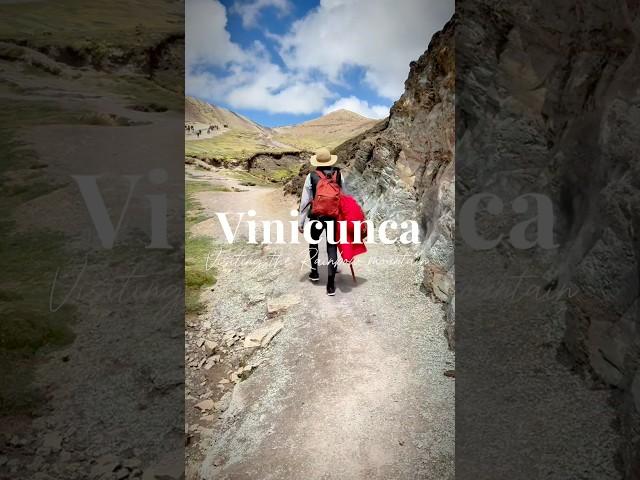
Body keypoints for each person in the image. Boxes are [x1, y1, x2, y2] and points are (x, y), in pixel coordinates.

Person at [298, 148, 342, 296]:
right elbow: (345, 196)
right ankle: (330, 284)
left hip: (316, 216)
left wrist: (301, 221)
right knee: (331, 247)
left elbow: (305, 200)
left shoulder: (312, 176)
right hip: (333, 216)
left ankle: (315, 273)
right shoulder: (338, 174)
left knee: (313, 243)